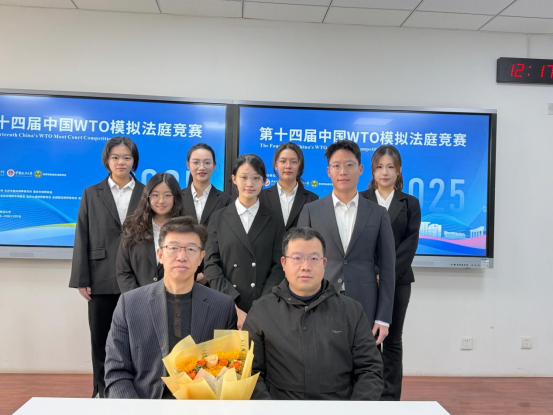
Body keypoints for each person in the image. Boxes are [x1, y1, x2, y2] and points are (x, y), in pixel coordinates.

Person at [104, 216, 238, 399]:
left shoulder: (222, 306)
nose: (181, 257)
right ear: (160, 254)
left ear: (201, 258)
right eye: (173, 248)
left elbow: (228, 371)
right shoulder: (130, 304)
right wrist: (135, 410)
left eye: (191, 249)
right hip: (145, 405)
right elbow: (116, 372)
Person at [244, 227, 384, 400]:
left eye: (314, 258)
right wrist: (270, 409)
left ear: (324, 263)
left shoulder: (351, 311)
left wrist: (353, 410)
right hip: (280, 408)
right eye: (297, 258)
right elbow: (250, 372)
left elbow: (370, 370)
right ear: (284, 263)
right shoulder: (261, 311)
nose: (306, 267)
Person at [297, 140, 396, 346]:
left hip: (365, 306)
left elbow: (388, 269)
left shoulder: (378, 214)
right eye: (337, 165)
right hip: (318, 303)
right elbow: (299, 262)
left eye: (350, 165)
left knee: (364, 363)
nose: (343, 171)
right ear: (328, 171)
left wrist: (383, 318)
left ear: (360, 169)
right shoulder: (311, 211)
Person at [68, 136, 144, 398]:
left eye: (127, 157)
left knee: (137, 338)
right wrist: (81, 278)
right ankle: (102, 390)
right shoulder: (92, 193)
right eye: (115, 157)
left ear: (134, 161)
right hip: (100, 277)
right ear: (107, 161)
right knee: (101, 338)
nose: (121, 162)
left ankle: (134, 389)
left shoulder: (146, 192)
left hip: (138, 277)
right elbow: (82, 235)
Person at [360, 145, 421, 401]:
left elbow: (410, 243)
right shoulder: (360, 199)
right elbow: (359, 242)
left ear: (399, 170)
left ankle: (391, 398)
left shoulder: (410, 203)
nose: (384, 172)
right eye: (379, 167)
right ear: (372, 170)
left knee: (393, 341)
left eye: (390, 167)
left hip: (398, 281)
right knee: (366, 341)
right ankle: (368, 394)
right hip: (365, 280)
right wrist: (373, 272)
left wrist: (386, 274)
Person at [204, 154, 285, 329]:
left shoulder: (275, 219)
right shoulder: (218, 218)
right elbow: (210, 264)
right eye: (244, 177)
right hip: (225, 304)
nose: (250, 183)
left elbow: (279, 265)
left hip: (263, 307)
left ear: (264, 181)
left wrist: (262, 304)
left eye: (256, 178)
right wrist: (231, 302)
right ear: (234, 179)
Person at [116, 172, 185, 293]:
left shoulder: (186, 230)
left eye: (167, 195)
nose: (161, 201)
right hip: (137, 299)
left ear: (176, 198)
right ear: (147, 197)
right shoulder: (132, 227)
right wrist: (137, 298)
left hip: (175, 299)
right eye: (155, 195)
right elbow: (123, 271)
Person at [181, 143, 232, 283]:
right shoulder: (177, 198)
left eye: (207, 162)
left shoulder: (227, 201)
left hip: (214, 276)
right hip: (181, 271)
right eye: (196, 162)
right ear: (188, 165)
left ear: (214, 165)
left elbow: (227, 242)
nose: (201, 167)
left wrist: (207, 274)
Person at [259, 142, 318, 231]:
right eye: (283, 161)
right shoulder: (261, 197)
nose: (288, 166)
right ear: (276, 165)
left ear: (299, 165)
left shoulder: (312, 199)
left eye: (294, 162)